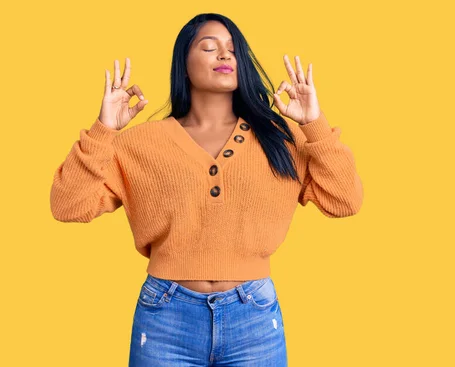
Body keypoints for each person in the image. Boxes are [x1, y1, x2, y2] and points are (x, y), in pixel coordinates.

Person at [50, 12, 363, 366]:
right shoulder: (138, 144)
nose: (225, 55)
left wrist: (314, 125)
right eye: (209, 47)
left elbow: (345, 200)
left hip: (254, 318)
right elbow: (67, 205)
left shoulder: (281, 139)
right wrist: (104, 130)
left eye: (232, 50)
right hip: (166, 317)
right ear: (183, 65)